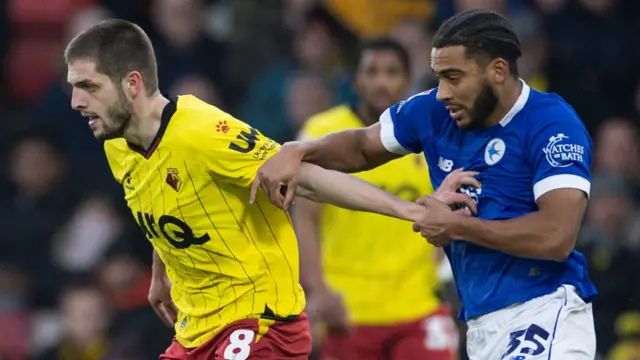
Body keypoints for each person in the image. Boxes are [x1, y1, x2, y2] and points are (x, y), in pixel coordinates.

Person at [63, 19, 476, 360]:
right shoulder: (118, 142)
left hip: (261, 322)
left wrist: (413, 211)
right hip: (198, 328)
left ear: (132, 83)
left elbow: (306, 177)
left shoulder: (203, 132)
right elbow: (166, 202)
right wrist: (160, 273)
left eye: (89, 86)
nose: (76, 101)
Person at [253, 9, 597, 360]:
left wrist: (460, 228)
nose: (443, 92)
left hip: (546, 309)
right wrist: (298, 150)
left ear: (498, 70)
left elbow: (557, 236)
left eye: (454, 77)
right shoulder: (433, 111)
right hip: (482, 323)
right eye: (438, 77)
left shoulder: (552, 125)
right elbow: (360, 147)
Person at [295, 38, 457, 360]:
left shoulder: (433, 134)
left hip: (418, 305)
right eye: (372, 71)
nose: (381, 81)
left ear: (407, 78)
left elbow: (449, 209)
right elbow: (304, 218)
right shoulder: (323, 132)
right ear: (356, 79)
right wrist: (318, 291)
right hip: (348, 310)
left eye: (392, 72)